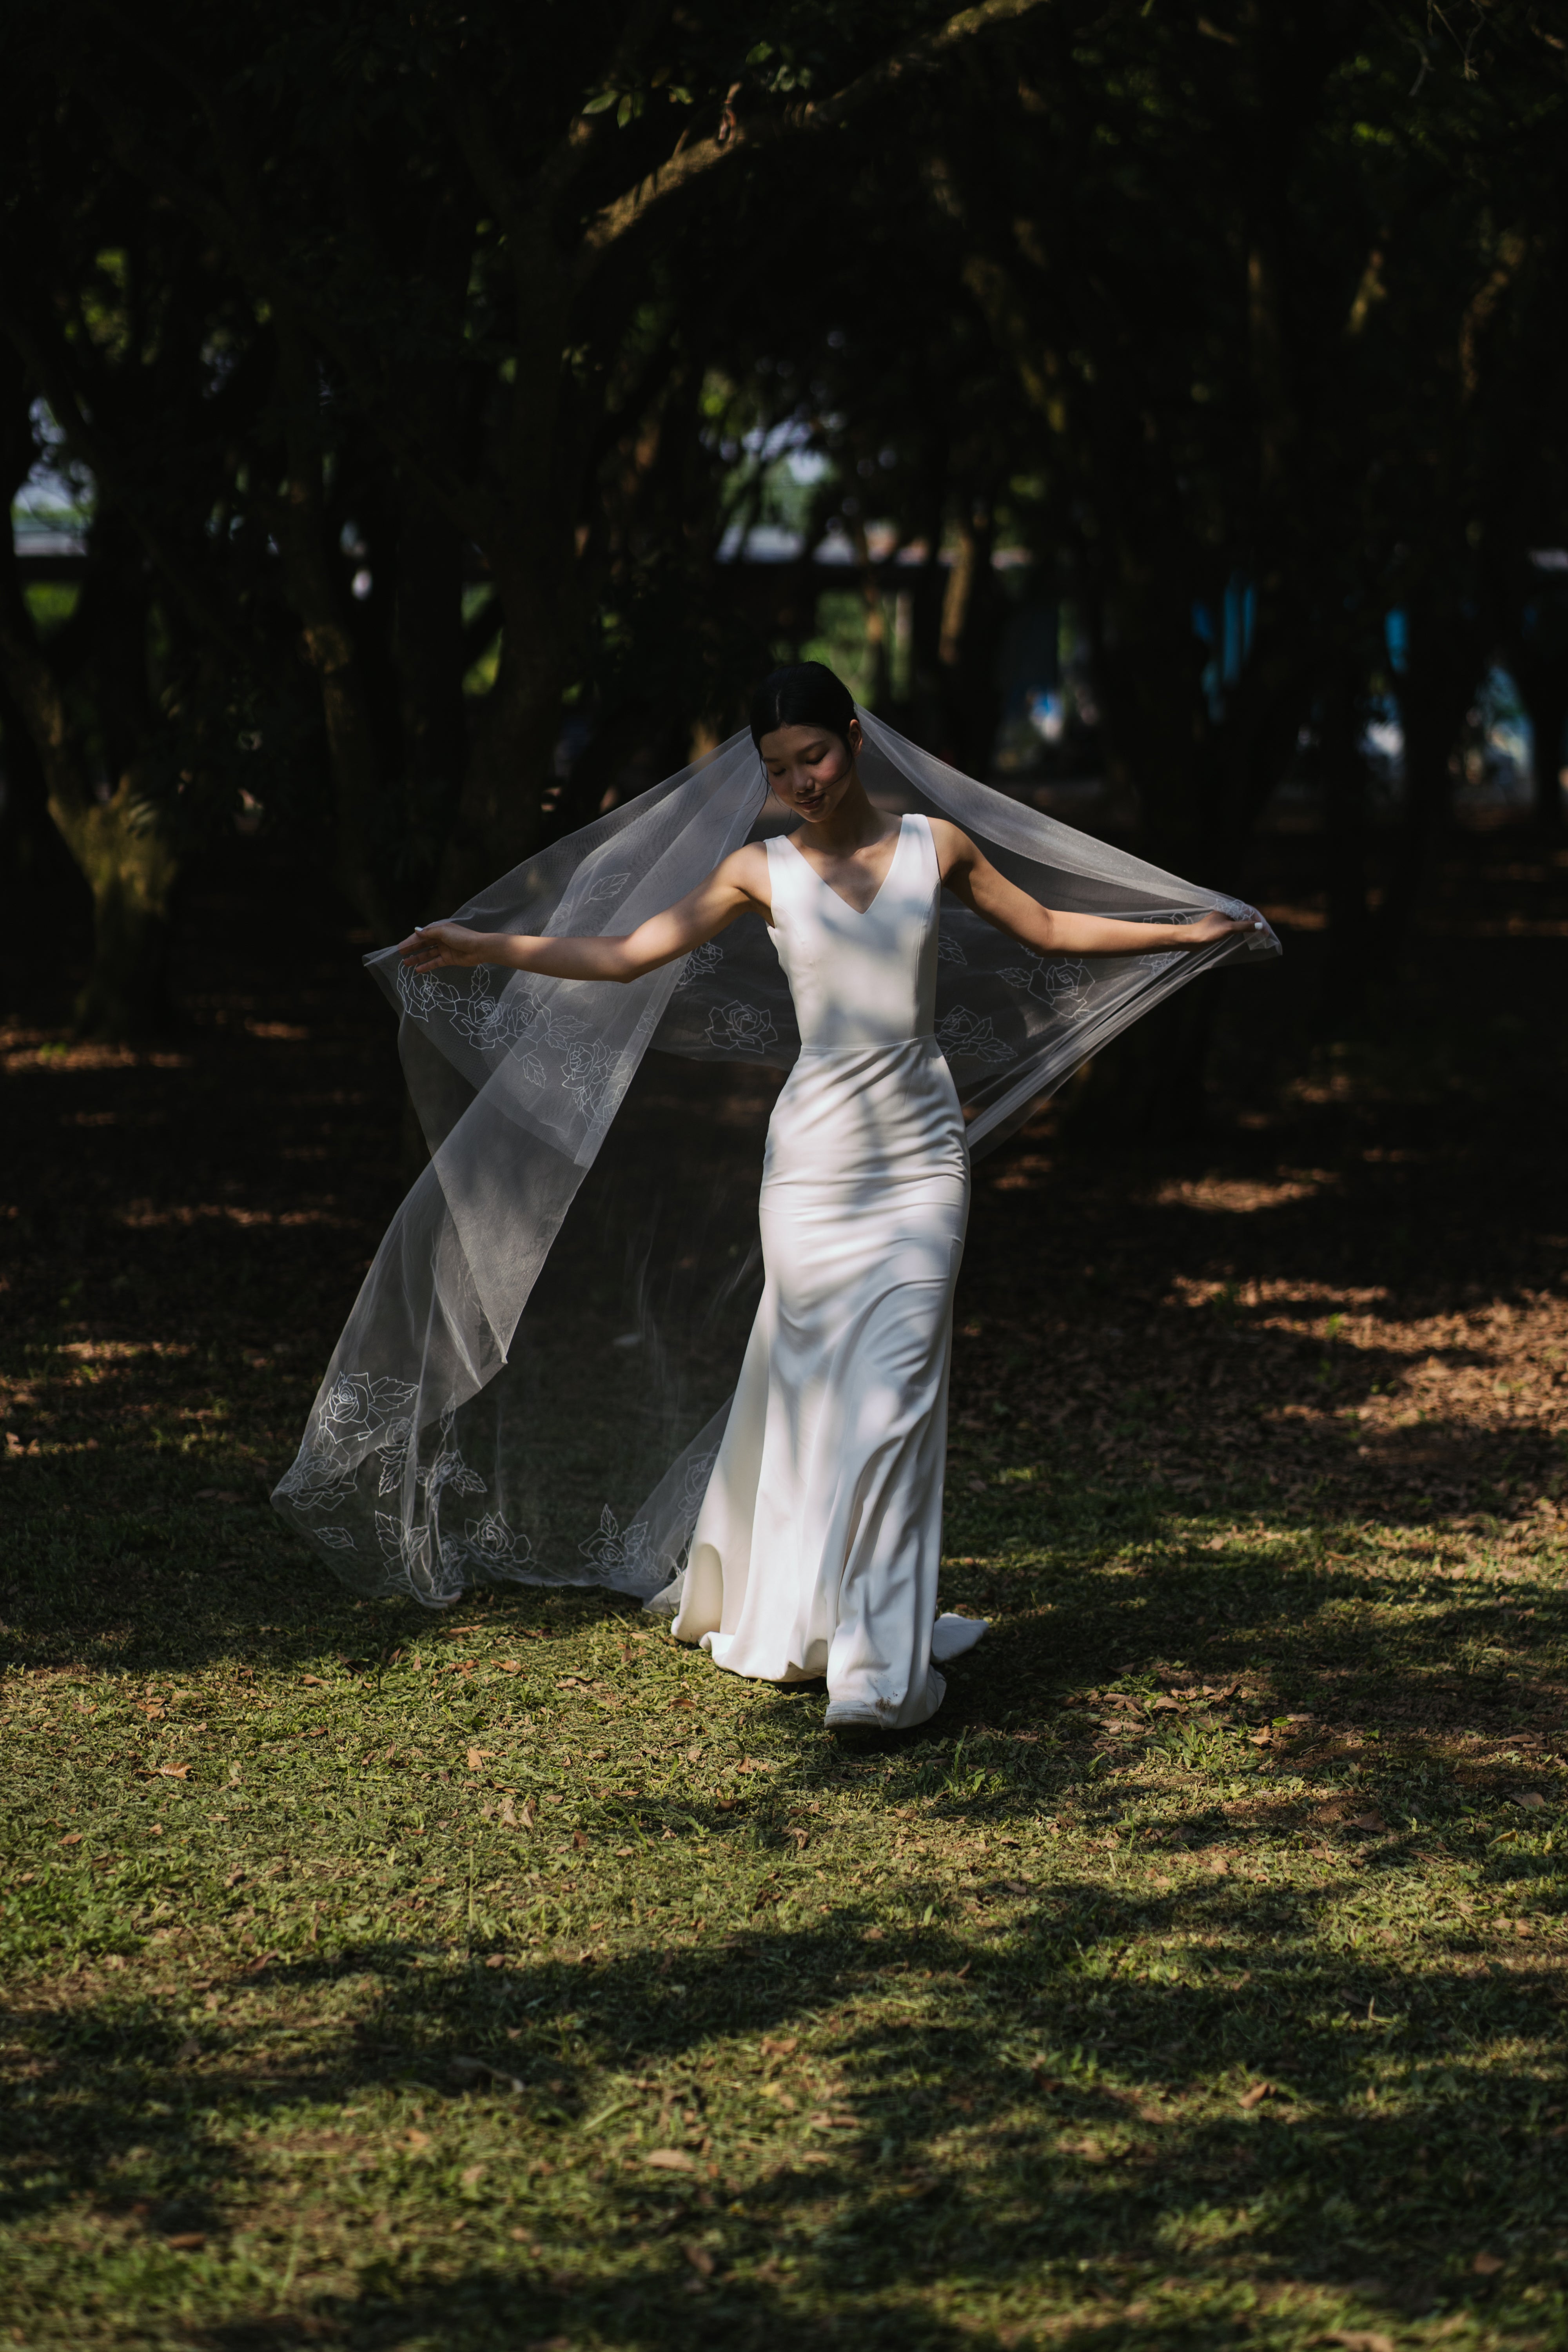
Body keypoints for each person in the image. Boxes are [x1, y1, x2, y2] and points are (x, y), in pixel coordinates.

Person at [396, 664, 1259, 1730]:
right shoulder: (757, 872)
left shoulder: (934, 847)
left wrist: (1185, 933)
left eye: (814, 755)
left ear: (853, 739)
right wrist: (484, 944)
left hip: (919, 1159)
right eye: (776, 768)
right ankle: (802, 1619)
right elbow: (624, 957)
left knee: (896, 1397)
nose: (800, 779)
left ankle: (879, 1672)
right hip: (809, 1166)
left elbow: (1048, 930)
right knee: (810, 1394)